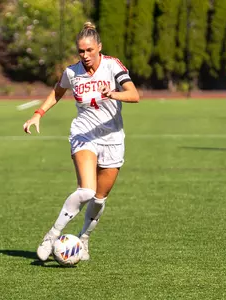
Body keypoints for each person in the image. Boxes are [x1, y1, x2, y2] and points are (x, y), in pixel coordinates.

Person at [23, 22, 140, 262]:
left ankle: (84, 238)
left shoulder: (112, 66)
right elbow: (57, 91)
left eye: (89, 50)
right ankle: (52, 235)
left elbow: (134, 95)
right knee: (86, 190)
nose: (85, 56)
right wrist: (38, 113)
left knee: (99, 199)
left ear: (99, 47)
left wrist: (113, 93)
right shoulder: (72, 72)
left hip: (112, 138)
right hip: (84, 134)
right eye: (81, 51)